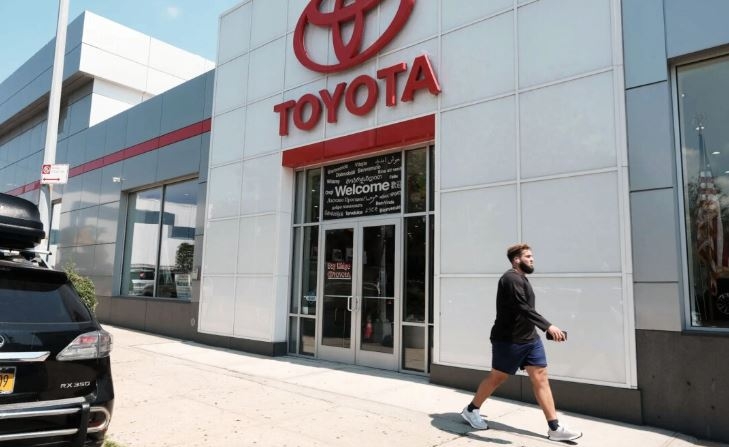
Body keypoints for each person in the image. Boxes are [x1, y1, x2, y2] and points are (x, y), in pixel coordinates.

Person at [460, 243, 582, 442]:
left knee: (541, 377)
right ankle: (471, 410)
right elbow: (522, 307)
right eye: (528, 256)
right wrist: (548, 326)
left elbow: (525, 311)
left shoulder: (521, 278)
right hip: (509, 340)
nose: (532, 259)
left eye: (532, 256)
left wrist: (540, 329)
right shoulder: (510, 278)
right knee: (497, 378)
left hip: (530, 339)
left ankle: (555, 427)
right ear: (516, 260)